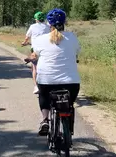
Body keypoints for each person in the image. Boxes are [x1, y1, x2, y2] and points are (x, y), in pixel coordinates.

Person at [33, 8, 80, 136]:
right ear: (65, 22)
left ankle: (45, 120)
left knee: (43, 95)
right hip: (71, 82)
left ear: (49, 24)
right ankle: (67, 121)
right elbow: (76, 53)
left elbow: (34, 55)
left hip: (47, 81)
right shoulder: (72, 37)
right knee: (69, 105)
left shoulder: (41, 39)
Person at [22, 12, 50, 94]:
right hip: (46, 49)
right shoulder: (48, 27)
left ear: (36, 19)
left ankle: (36, 86)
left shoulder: (32, 26)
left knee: (34, 67)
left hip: (35, 50)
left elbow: (27, 37)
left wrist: (24, 42)